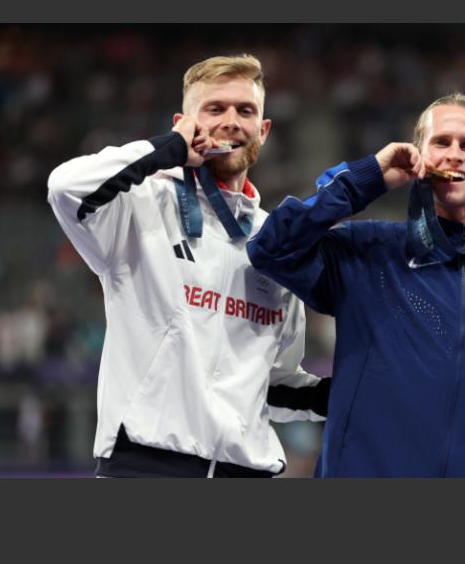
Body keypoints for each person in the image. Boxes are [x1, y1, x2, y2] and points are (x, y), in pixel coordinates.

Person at [47, 54, 326, 477]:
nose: (231, 121)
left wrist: (347, 392)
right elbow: (64, 188)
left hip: (245, 473)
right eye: (214, 109)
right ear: (184, 121)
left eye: (245, 110)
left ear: (263, 131)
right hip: (144, 464)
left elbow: (273, 385)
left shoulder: (276, 241)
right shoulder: (140, 205)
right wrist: (168, 150)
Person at [247, 93, 465, 477]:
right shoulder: (366, 252)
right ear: (419, 155)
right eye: (441, 142)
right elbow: (272, 249)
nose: (454, 153)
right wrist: (365, 179)